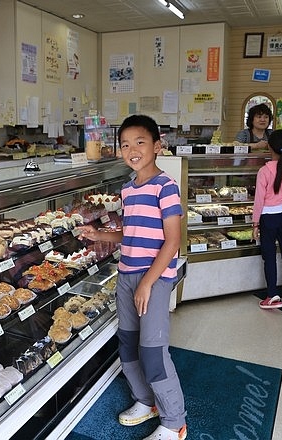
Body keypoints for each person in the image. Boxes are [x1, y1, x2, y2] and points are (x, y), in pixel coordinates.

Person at [76, 114, 187, 440]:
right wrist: (98, 235)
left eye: (140, 142)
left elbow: (173, 240)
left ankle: (174, 421)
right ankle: (145, 400)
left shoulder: (166, 187)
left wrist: (148, 283)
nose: (132, 150)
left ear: (157, 145)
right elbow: (131, 233)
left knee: (153, 351)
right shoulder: (128, 188)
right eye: (125, 144)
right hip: (127, 276)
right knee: (127, 345)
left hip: (154, 279)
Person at [252, 129, 282, 309]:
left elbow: (259, 199)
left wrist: (255, 222)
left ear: (269, 147)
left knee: (270, 256)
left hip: (268, 217)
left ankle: (272, 295)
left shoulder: (264, 171)